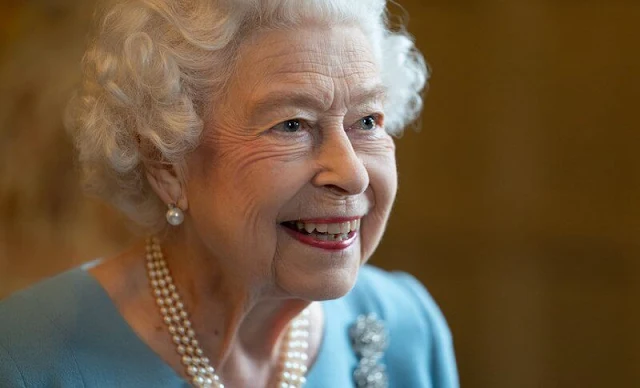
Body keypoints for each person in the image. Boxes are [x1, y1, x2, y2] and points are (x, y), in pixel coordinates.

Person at [0, 0, 458, 386]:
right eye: (292, 125)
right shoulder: (24, 357)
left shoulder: (407, 326)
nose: (352, 175)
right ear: (167, 165)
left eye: (367, 121)